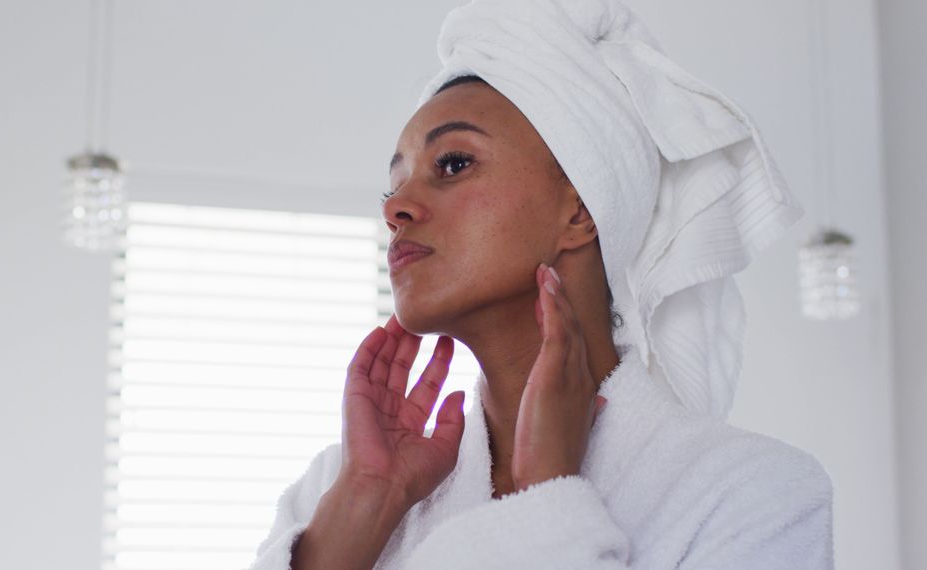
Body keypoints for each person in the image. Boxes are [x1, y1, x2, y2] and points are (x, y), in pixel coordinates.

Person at [250, 0, 834, 568]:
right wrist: (362, 507)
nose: (396, 207)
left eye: (452, 164)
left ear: (580, 208)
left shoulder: (751, 493)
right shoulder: (342, 490)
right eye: (392, 186)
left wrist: (547, 497)